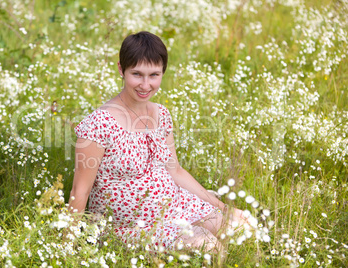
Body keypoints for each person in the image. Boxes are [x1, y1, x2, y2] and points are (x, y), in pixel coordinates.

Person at [69, 31, 247, 251]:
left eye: (154, 75)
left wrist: (224, 209)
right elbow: (80, 190)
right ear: (121, 70)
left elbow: (176, 171)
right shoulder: (99, 124)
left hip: (176, 206)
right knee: (209, 247)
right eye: (137, 74)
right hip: (132, 226)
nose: (145, 85)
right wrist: (68, 248)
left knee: (244, 229)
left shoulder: (161, 114)